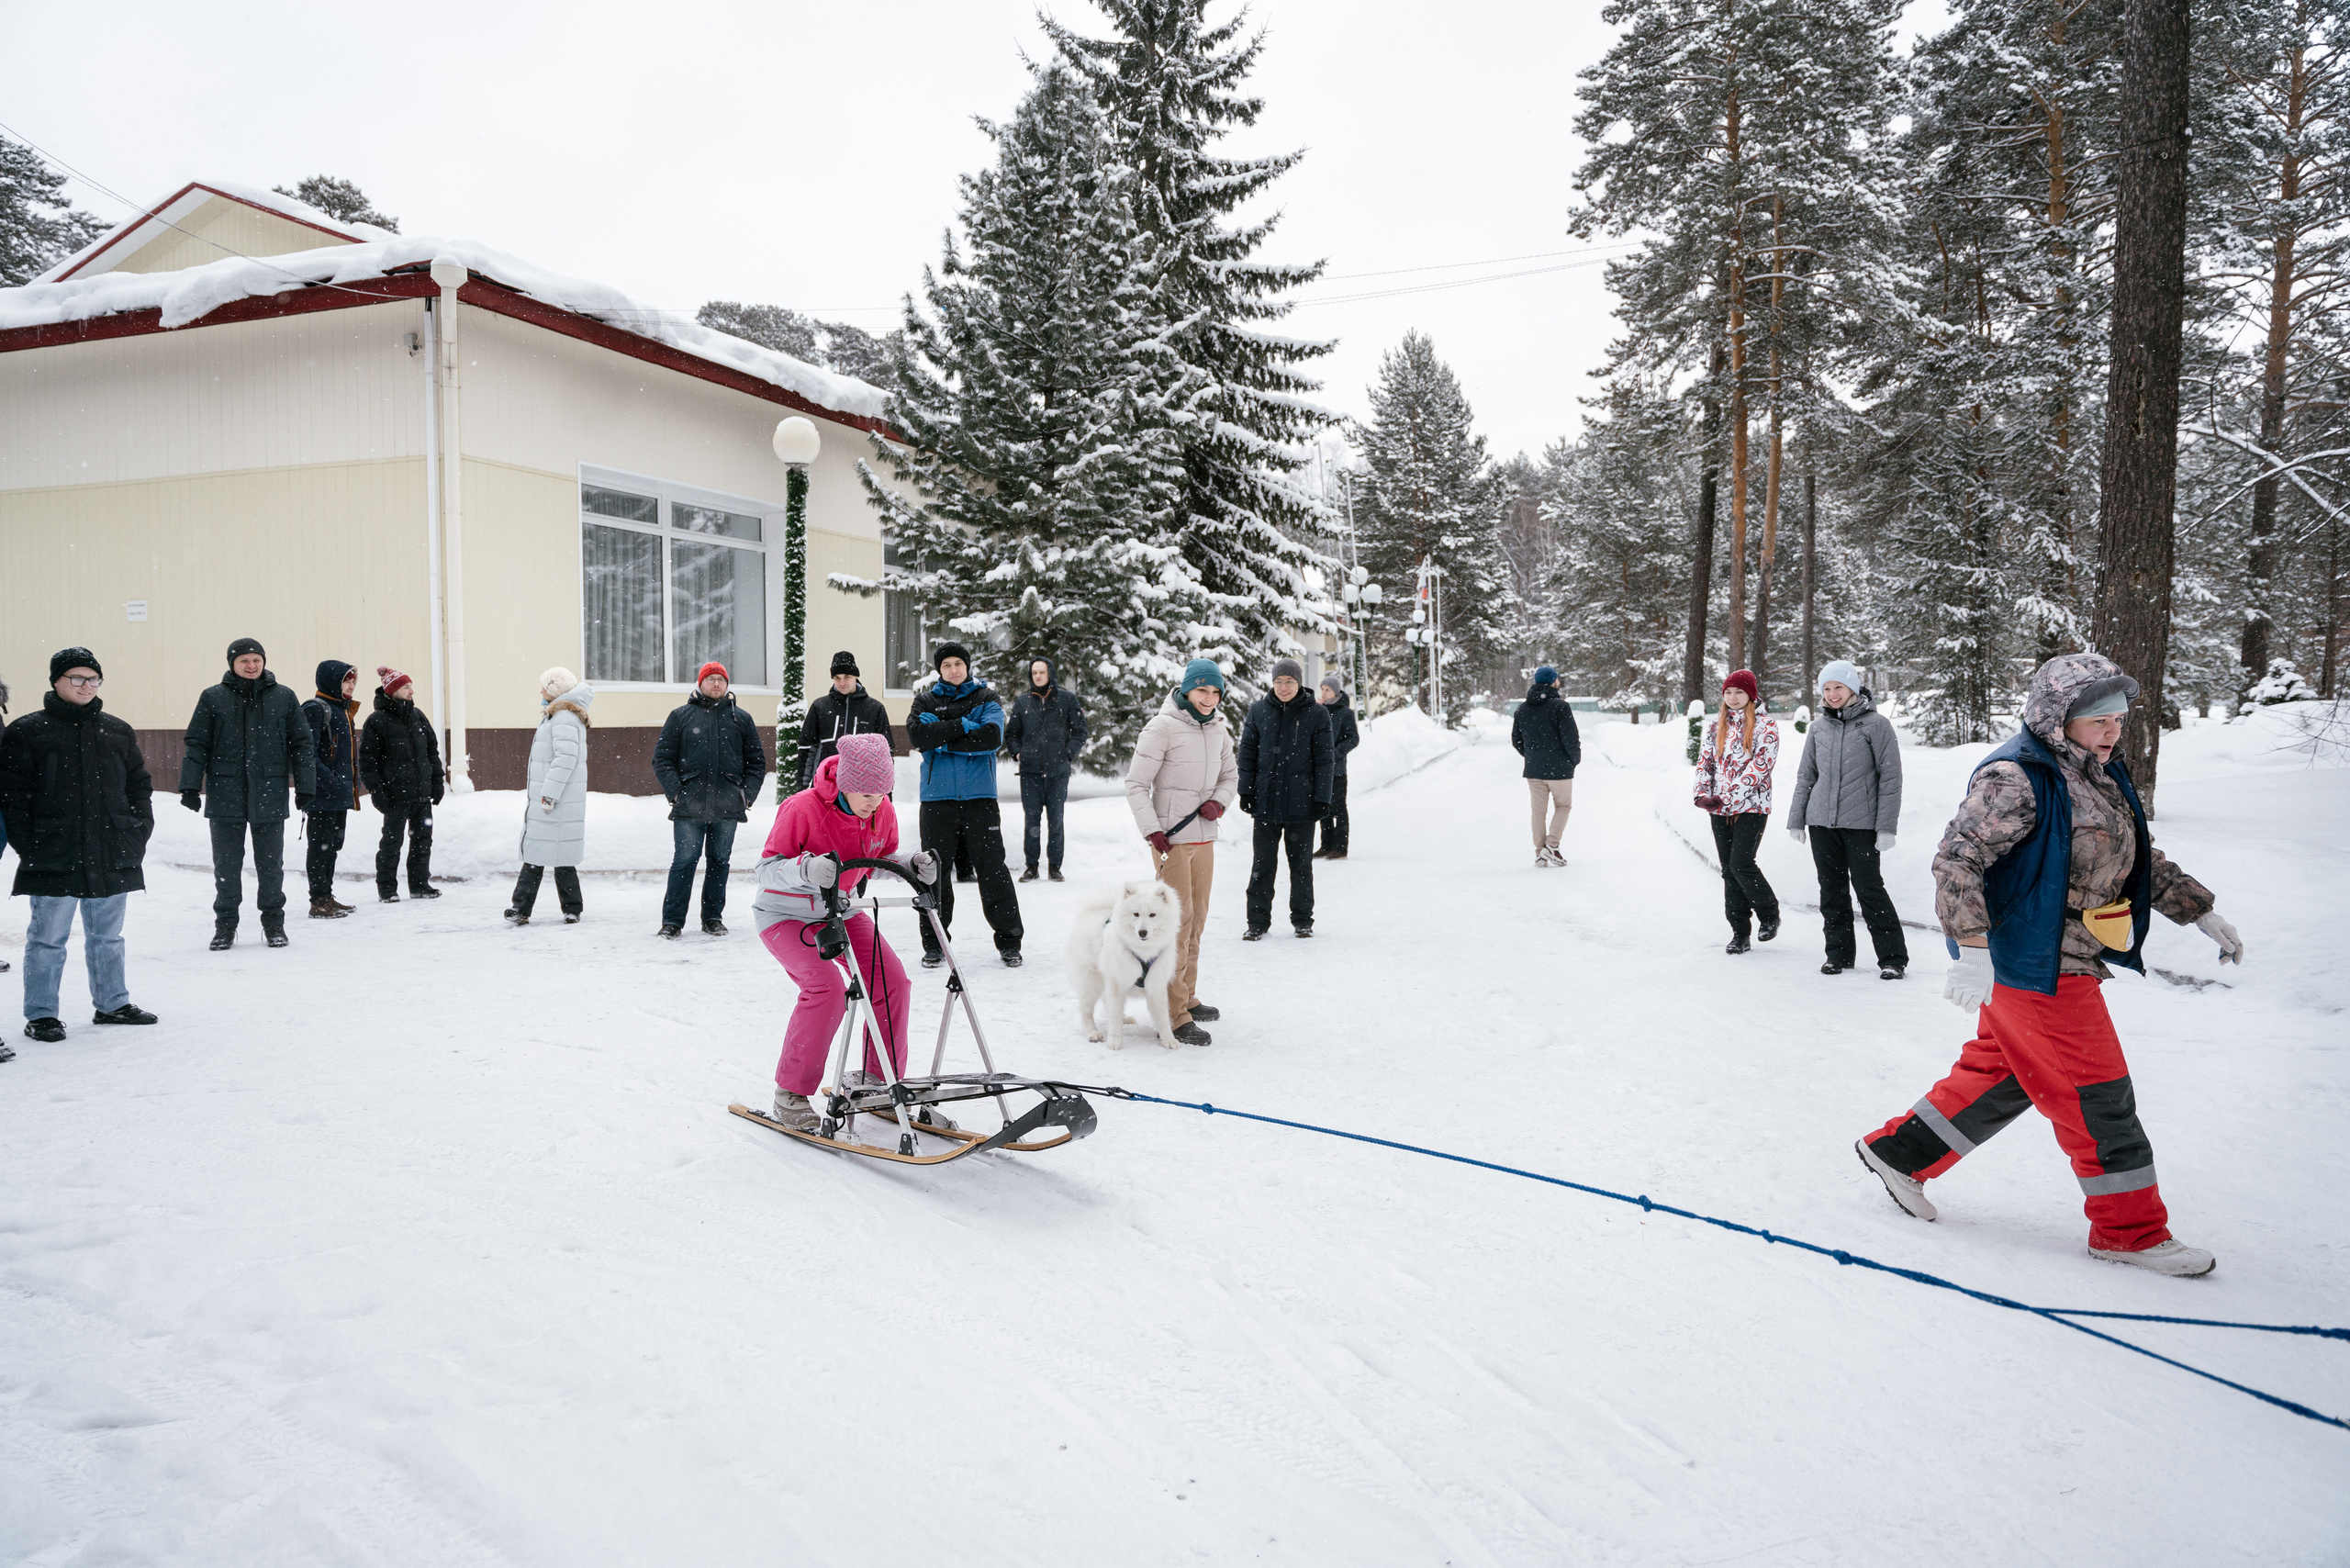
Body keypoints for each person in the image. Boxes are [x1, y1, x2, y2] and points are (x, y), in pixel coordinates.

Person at [1856, 653, 2244, 1277]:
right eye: (2097, 718)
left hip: (2062, 955)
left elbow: (2136, 860)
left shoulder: (2097, 774)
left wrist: (2199, 911)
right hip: (2036, 965)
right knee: (2099, 1095)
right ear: (2057, 716)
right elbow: (1957, 862)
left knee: (2009, 1074)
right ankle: (2129, 1231)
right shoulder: (2017, 777)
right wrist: (1974, 951)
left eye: (2118, 718)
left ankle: (1899, 1154)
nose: (2112, 729)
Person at [753, 733, 937, 1131]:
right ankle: (791, 1092)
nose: (875, 802)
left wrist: (910, 861)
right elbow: (765, 869)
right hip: (786, 914)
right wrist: (806, 869)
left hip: (842, 910)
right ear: (845, 784)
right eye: (866, 793)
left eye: (882, 792)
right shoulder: (801, 807)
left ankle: (876, 1082)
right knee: (827, 989)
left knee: (892, 982)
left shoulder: (881, 810)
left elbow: (880, 854)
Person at [1, 648, 157, 1044]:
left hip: (111, 848)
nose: (86, 686)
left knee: (108, 936)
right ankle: (42, 1015)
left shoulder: (117, 730)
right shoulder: (27, 731)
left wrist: (137, 830)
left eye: (93, 679)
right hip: (54, 850)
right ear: (56, 681)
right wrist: (30, 844)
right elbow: (13, 796)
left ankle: (112, 1004)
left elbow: (138, 784)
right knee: (47, 939)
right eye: (77, 679)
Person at [1125, 658, 1238, 1045]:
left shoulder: (1219, 729)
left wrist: (1219, 804)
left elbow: (1230, 776)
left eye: (1215, 692)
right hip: (1172, 842)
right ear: (1187, 690)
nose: (1209, 698)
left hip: (1204, 838)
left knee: (1198, 921)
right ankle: (1173, 1015)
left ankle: (1187, 996)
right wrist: (1152, 831)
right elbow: (1136, 784)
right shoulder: (1162, 728)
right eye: (1202, 690)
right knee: (1177, 925)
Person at [181, 636, 318, 950]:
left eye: (256, 660)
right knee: (226, 867)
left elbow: (302, 744)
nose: (251, 665)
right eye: (244, 661)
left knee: (271, 867)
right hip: (225, 792)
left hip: (269, 790)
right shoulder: (213, 698)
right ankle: (225, 927)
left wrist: (305, 787)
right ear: (232, 664)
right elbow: (197, 743)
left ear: (264, 663)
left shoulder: (283, 697)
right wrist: (190, 785)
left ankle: (274, 925)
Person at [1786, 659, 1908, 979]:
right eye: (1826, 689)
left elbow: (1890, 779)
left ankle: (1893, 958)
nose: (1832, 694)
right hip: (1822, 823)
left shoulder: (1876, 725)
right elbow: (1806, 776)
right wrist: (1796, 820)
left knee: (1869, 888)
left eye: (1838, 687)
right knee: (1831, 889)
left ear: (1853, 687)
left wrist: (1886, 827)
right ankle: (1838, 955)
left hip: (1862, 824)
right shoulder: (1818, 727)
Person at [907, 643, 1024, 968]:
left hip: (979, 800)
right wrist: (964, 725)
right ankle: (934, 943)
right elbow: (917, 737)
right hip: (936, 801)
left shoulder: (986, 698)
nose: (954, 669)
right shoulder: (925, 700)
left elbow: (991, 738)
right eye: (947, 665)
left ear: (967, 666)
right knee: (932, 874)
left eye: (959, 663)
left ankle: (1009, 941)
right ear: (939, 670)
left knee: (993, 871)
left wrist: (942, 735)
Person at [654, 661, 768, 939]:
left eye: (721, 679)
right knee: (684, 861)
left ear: (727, 685)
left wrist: (746, 795)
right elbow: (662, 759)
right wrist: (676, 791)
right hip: (689, 806)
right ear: (700, 683)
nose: (716, 684)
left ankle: (713, 918)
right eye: (710, 679)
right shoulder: (681, 717)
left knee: (719, 862)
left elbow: (756, 763)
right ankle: (672, 922)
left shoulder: (741, 719)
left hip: (728, 806)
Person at [1237, 657, 1333, 940]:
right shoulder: (1258, 711)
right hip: (1266, 803)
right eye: (1279, 682)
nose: (1283, 687)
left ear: (1299, 683)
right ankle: (1257, 922)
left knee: (1301, 866)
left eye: (1289, 682)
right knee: (1262, 866)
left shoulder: (1317, 714)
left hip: (1302, 805)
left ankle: (1303, 920)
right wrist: (1246, 790)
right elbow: (1247, 755)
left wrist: (1321, 798)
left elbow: (1325, 761)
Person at [1693, 668, 1780, 954]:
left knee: (1742, 864)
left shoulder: (1766, 727)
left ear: (1750, 695)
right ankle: (1740, 932)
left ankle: (1769, 914)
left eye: (1739, 692)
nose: (1732, 697)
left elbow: (1759, 768)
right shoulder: (1715, 727)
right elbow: (1705, 764)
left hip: (1752, 806)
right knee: (1729, 871)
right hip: (1718, 808)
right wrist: (1702, 795)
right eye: (1728, 692)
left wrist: (1727, 797)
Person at [508, 668, 593, 924]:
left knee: (542, 855)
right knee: (555, 854)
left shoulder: (563, 716)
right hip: (557, 800)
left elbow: (565, 759)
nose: (541, 691)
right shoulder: (560, 715)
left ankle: (523, 909)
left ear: (555, 691)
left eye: (544, 687)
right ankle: (570, 908)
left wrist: (548, 794)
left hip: (557, 800)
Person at [356, 666, 444, 902]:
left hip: (422, 794)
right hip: (395, 796)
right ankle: (387, 889)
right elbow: (367, 761)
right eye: (406, 687)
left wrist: (437, 782)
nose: (411, 691)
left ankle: (420, 885)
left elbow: (432, 751)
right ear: (393, 690)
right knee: (391, 843)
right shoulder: (376, 721)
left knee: (422, 841)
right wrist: (376, 791)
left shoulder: (418, 716)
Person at [1003, 655, 1089, 882]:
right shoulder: (1023, 703)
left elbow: (1080, 731)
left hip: (1057, 773)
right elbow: (1011, 734)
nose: (1038, 676)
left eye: (1042, 671)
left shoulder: (1067, 700)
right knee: (1031, 822)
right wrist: (1018, 753)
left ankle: (1055, 867)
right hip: (1030, 773)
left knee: (1056, 821)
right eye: (1034, 673)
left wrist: (1067, 753)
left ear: (1050, 673)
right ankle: (1031, 866)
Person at [300, 660, 364, 919]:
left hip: (338, 795)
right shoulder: (316, 709)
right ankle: (318, 901)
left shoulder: (342, 710)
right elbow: (306, 754)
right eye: (346, 680)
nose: (351, 685)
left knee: (333, 846)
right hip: (322, 795)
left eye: (353, 681)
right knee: (321, 848)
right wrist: (331, 782)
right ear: (331, 681)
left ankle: (327, 896)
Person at [1511, 666, 1583, 868]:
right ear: (1553, 681)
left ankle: (1540, 853)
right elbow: (1571, 738)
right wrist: (1573, 760)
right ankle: (1551, 846)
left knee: (1538, 811)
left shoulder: (1522, 709)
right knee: (1563, 806)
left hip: (1534, 770)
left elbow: (1516, 740)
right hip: (1559, 770)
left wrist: (1532, 756)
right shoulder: (1560, 706)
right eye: (1557, 679)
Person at [794, 650, 890, 793]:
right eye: (837, 678)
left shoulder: (874, 709)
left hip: (860, 790)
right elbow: (807, 750)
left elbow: (885, 755)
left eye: (847, 676)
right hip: (825, 786)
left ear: (856, 676)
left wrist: (886, 794)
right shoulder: (820, 707)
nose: (842, 682)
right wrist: (801, 789)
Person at [1313, 673, 1360, 860]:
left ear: (1336, 692)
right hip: (1319, 768)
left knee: (1339, 808)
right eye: (1322, 689)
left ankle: (1341, 847)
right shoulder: (1318, 710)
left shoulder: (1345, 713)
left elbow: (1353, 739)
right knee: (1323, 806)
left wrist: (1335, 753)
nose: (1323, 693)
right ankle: (1326, 845)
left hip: (1337, 770)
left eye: (1328, 690)